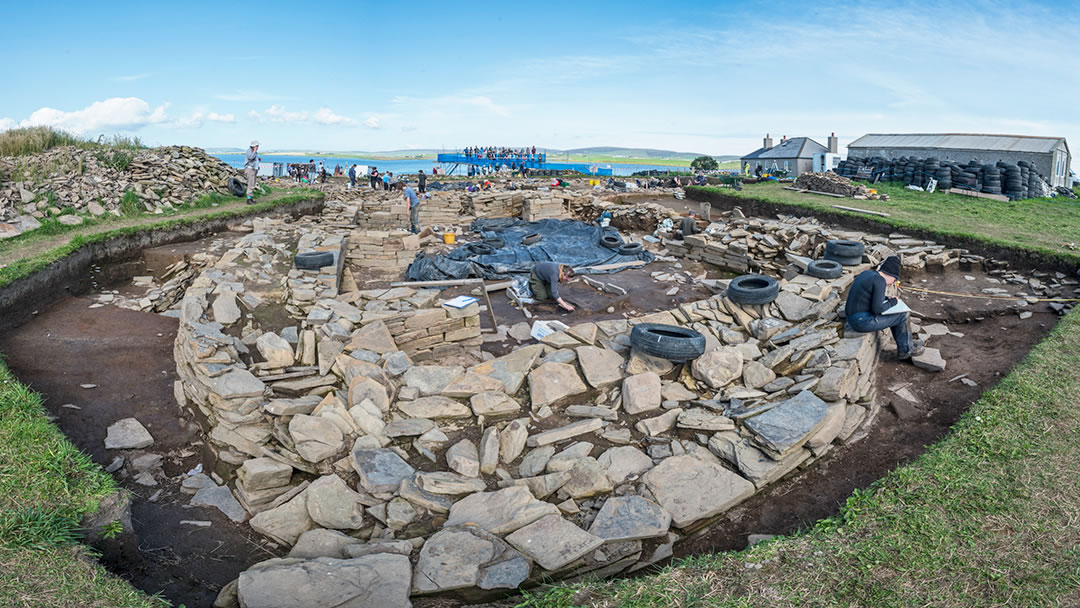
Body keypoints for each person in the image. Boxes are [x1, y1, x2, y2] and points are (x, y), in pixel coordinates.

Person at [844, 255, 925, 361]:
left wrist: (887, 298)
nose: (892, 284)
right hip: (862, 322)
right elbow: (877, 309)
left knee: (897, 314)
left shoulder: (868, 274)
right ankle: (906, 350)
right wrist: (893, 301)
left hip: (853, 317)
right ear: (892, 276)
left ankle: (906, 342)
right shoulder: (880, 281)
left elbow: (868, 295)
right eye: (894, 280)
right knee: (903, 315)